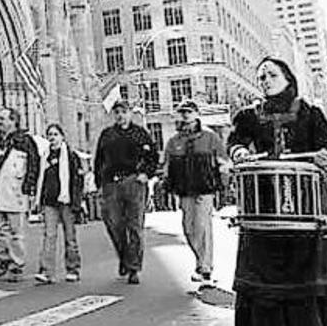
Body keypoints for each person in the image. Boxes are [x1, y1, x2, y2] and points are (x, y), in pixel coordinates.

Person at [228, 57, 327, 326]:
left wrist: (324, 157)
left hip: (308, 198)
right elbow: (236, 141)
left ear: (288, 78)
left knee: (313, 262)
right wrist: (240, 151)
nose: (265, 81)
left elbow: (324, 146)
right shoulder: (248, 116)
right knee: (264, 266)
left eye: (271, 75)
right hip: (265, 202)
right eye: (261, 77)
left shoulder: (311, 113)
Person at [163, 100, 228, 289]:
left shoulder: (210, 137)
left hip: (205, 189)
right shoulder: (174, 141)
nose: (185, 115)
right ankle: (200, 262)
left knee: (203, 226)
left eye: (189, 111)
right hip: (185, 191)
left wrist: (223, 184)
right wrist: (167, 185)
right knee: (189, 229)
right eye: (182, 112)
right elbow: (167, 166)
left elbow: (223, 161)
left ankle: (206, 268)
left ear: (197, 114)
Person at [94, 99, 159, 285]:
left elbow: (152, 156)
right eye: (117, 112)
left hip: (133, 181)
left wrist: (146, 174)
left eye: (123, 112)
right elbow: (99, 160)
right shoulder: (107, 135)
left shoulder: (140, 134)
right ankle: (124, 256)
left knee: (135, 226)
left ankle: (134, 268)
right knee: (114, 223)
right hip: (111, 183)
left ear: (130, 113)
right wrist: (99, 183)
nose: (120, 115)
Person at [0, 107, 39, 282]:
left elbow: (33, 165)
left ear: (13, 121)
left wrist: (30, 187)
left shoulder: (25, 141)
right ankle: (4, 258)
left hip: (15, 191)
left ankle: (17, 264)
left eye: (3, 119)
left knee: (16, 232)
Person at [33, 124, 83, 284]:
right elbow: (40, 179)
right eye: (49, 135)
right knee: (49, 235)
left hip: (66, 200)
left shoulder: (70, 156)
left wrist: (76, 201)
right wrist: (39, 200)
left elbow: (77, 179)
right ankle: (46, 271)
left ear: (62, 136)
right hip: (49, 201)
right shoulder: (45, 156)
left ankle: (73, 268)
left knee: (70, 236)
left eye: (55, 134)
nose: (52, 138)